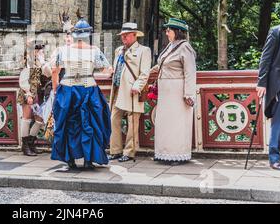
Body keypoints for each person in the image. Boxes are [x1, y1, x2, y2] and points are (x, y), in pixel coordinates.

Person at [51, 18, 113, 170]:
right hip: (88, 89)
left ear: (74, 34)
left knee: (67, 124)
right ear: (88, 34)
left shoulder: (62, 50)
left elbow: (54, 70)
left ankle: (70, 160)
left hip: (67, 89)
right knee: (90, 123)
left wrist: (55, 88)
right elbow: (107, 70)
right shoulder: (94, 50)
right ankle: (88, 160)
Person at [152, 18, 196, 165]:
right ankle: (163, 152)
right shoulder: (170, 46)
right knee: (164, 123)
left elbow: (190, 72)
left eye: (169, 30)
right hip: (166, 92)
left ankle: (177, 154)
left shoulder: (185, 47)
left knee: (177, 124)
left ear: (176, 32)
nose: (166, 32)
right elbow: (161, 65)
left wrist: (188, 94)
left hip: (177, 91)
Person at [108, 22, 151, 162]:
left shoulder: (144, 51)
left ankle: (129, 152)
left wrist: (137, 86)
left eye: (126, 35)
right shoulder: (119, 50)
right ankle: (115, 150)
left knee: (133, 122)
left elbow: (145, 73)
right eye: (122, 35)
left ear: (134, 35)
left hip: (132, 91)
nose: (123, 38)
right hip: (118, 90)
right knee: (114, 119)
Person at [17, 40, 51, 156]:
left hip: (38, 93)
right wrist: (28, 94)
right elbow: (23, 79)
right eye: (39, 50)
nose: (42, 52)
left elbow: (48, 74)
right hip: (28, 92)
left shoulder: (40, 62)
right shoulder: (28, 63)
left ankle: (31, 143)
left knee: (39, 120)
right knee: (26, 119)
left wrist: (42, 62)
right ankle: (25, 146)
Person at [257, 24, 280, 170]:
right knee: (279, 122)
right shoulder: (276, 32)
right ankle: (274, 159)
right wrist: (262, 82)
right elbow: (265, 59)